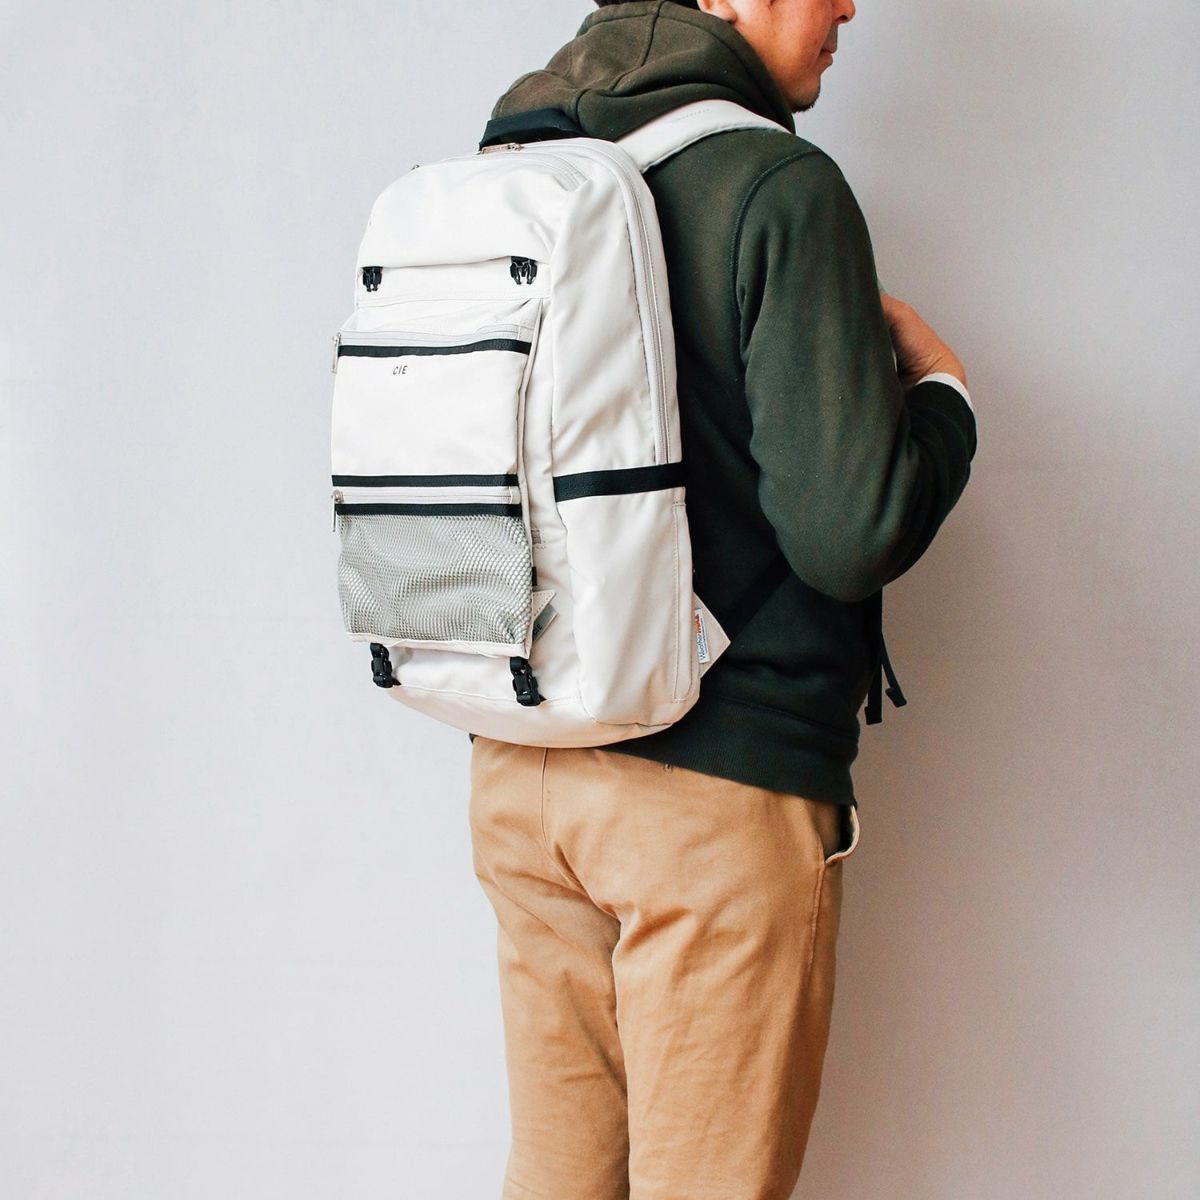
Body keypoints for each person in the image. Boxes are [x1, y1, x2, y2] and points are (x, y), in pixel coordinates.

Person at [468, 2, 977, 1196]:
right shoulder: (777, 187)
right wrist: (943, 398)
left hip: (524, 768)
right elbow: (851, 532)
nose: (847, 5)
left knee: (558, 1182)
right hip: (711, 796)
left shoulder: (517, 157)